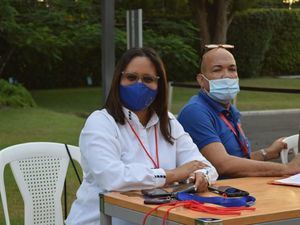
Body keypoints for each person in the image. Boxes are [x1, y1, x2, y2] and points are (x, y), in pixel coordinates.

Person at [66, 47, 218, 225]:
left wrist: (201, 176)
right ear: (118, 80)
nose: (139, 85)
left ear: (159, 85)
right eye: (131, 77)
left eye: (148, 79)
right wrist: (171, 175)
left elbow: (205, 166)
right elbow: (113, 177)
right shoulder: (100, 122)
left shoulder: (168, 122)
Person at [178, 45, 300, 178]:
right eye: (217, 70)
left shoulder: (228, 109)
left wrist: (268, 153)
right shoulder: (195, 112)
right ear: (201, 80)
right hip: (216, 194)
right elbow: (223, 165)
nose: (227, 76)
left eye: (232, 69)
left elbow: (239, 160)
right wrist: (287, 169)